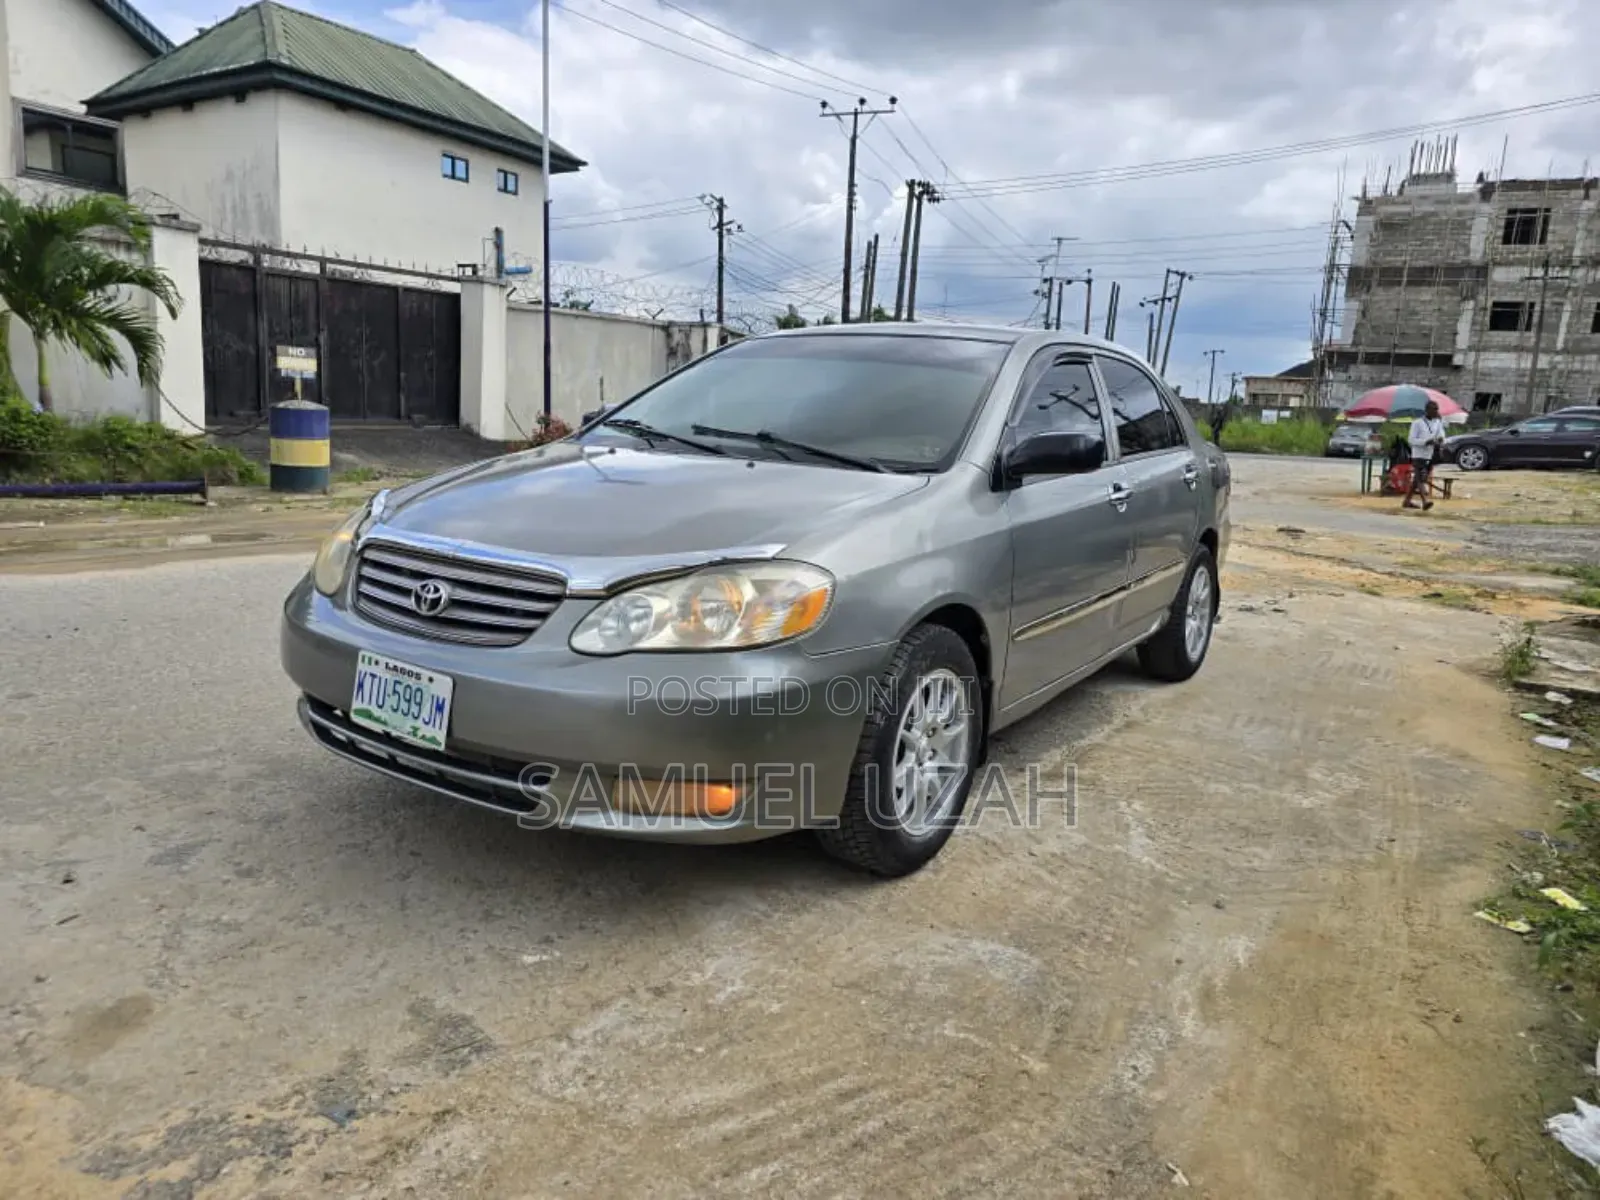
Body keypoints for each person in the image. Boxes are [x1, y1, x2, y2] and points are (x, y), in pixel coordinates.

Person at [1403, 399, 1447, 510]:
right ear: (1427, 410)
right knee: (1420, 478)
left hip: (1430, 454)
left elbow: (1441, 435)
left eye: (1437, 409)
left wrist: (1440, 439)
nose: (1436, 411)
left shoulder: (1437, 422)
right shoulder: (1417, 423)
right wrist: (1425, 442)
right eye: (1434, 409)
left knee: (1418, 479)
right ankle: (1425, 500)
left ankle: (1407, 501)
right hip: (1418, 454)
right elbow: (1411, 440)